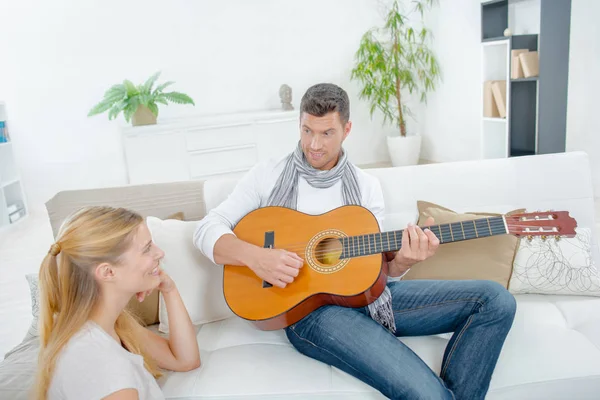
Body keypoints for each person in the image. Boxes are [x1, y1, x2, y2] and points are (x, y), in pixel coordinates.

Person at [193, 83, 516, 399]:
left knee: (495, 300)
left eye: (326, 133)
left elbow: (373, 269)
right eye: (307, 131)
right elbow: (207, 229)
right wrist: (256, 258)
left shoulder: (365, 186)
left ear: (347, 130)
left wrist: (404, 260)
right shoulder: (268, 174)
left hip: (373, 298)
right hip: (311, 313)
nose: (314, 144)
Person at [36, 206, 201, 400]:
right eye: (147, 249)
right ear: (108, 272)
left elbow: (185, 360)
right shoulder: (102, 364)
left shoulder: (111, 326)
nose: (160, 253)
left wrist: (169, 290)